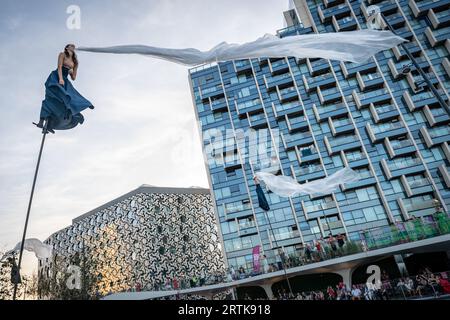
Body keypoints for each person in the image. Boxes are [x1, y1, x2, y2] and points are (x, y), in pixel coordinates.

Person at [34, 44, 94, 133]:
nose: (73, 47)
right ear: (67, 48)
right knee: (55, 97)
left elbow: (73, 78)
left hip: (65, 79)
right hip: (56, 77)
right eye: (71, 45)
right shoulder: (62, 54)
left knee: (70, 94)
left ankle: (85, 103)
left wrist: (72, 71)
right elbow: (59, 67)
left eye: (74, 46)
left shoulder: (75, 62)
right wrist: (61, 78)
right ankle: (43, 120)